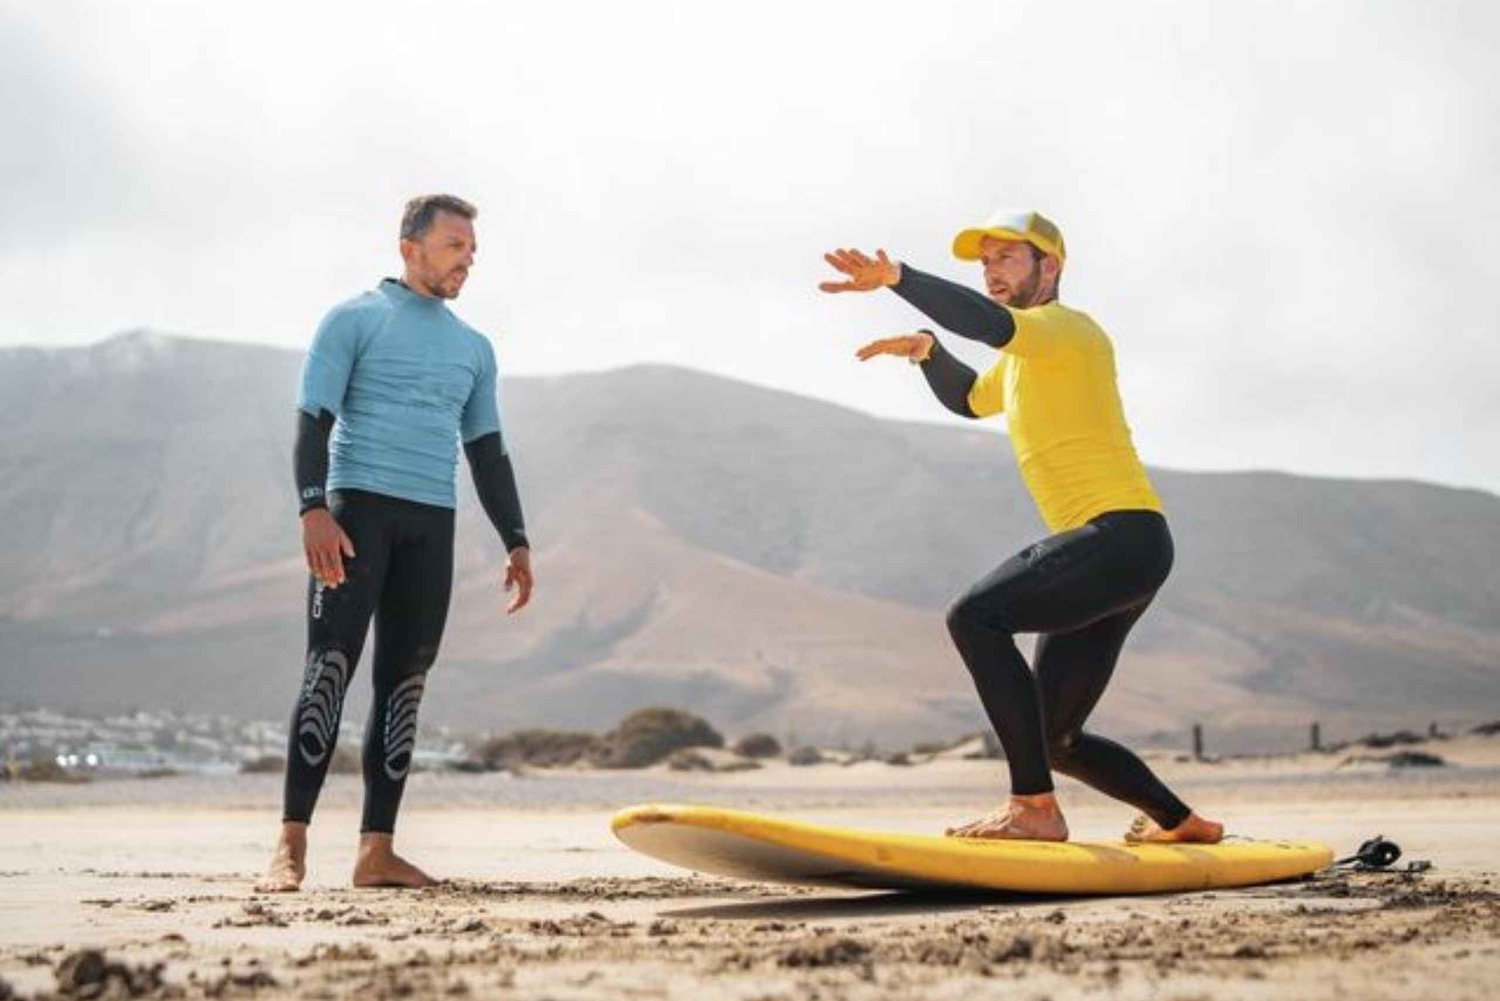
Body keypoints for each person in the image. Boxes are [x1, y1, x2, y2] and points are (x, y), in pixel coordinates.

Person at [819, 210, 1221, 844]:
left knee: (975, 618)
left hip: (1121, 536)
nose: (990, 271)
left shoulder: (1066, 331)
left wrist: (900, 278)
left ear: (1049, 266)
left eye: (1006, 257)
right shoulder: (1021, 360)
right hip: (1124, 552)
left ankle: (1033, 808)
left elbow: (987, 323)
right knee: (1055, 737)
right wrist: (928, 353)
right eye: (985, 262)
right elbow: (969, 399)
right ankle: (1182, 822)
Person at [256, 194, 534, 891]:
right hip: (357, 514)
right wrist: (312, 508)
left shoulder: (474, 348)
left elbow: (487, 451)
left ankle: (375, 850)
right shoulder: (353, 320)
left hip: (431, 523)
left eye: (472, 250)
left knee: (404, 683)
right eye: (454, 246)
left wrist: (517, 539)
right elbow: (313, 420)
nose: (467, 261)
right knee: (329, 668)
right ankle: (290, 843)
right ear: (410, 248)